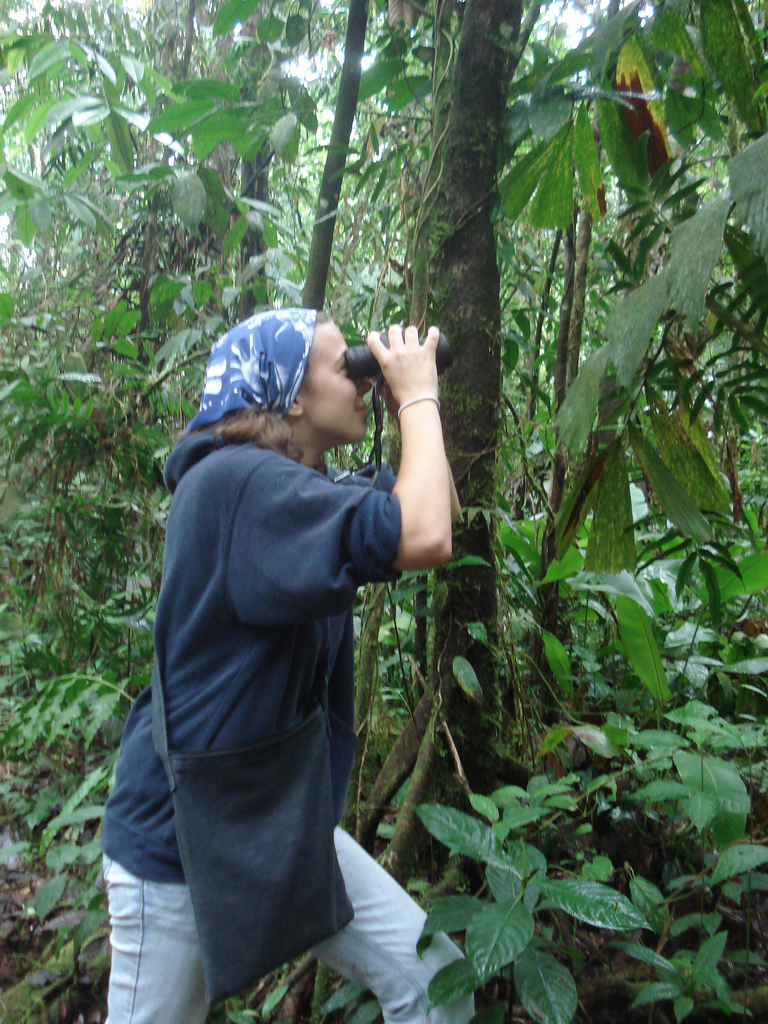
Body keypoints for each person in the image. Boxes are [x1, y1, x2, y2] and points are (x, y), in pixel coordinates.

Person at [100, 308, 471, 1024]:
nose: (362, 379)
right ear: (292, 398)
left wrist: (411, 404)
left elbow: (437, 510)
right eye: (347, 367)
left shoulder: (296, 487)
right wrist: (418, 395)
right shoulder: (238, 485)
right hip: (179, 840)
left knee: (434, 981)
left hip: (273, 820)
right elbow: (424, 536)